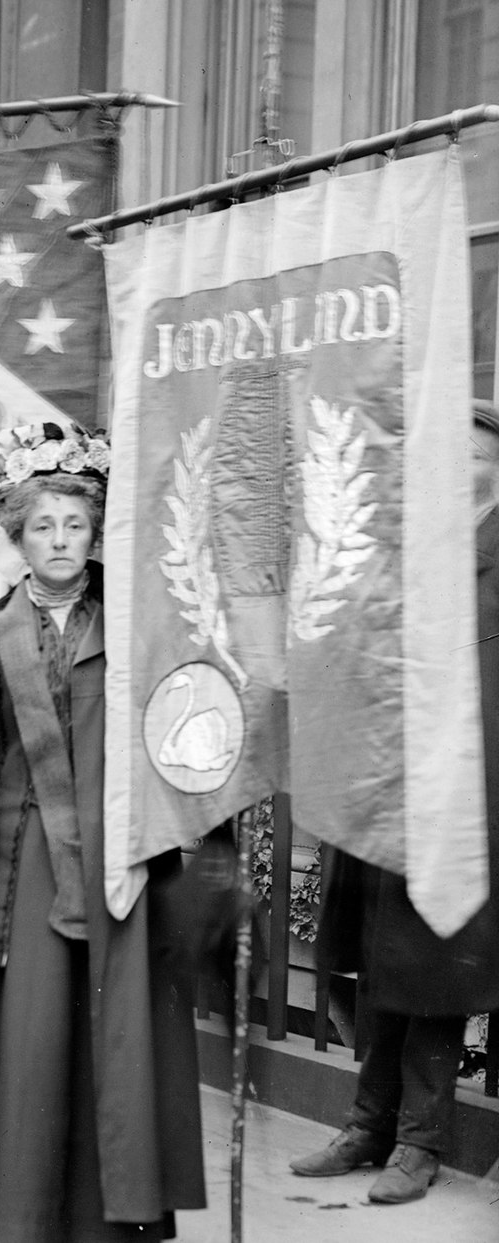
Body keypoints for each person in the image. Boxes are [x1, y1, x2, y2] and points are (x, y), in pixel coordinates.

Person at [0, 424, 205, 1243]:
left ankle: (106, 1224)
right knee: (28, 1041)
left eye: (75, 524)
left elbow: (179, 738)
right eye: (43, 525)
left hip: (118, 866)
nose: (60, 540)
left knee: (111, 1035)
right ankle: (20, 1217)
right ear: (17, 536)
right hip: (9, 873)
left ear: (95, 531)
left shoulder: (141, 633)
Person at [290, 401, 499, 1203]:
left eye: (475, 447)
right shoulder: (409, 549)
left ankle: (420, 1142)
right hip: (386, 790)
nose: (460, 460)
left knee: (437, 971)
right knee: (376, 967)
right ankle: (368, 1125)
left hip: (464, 799)